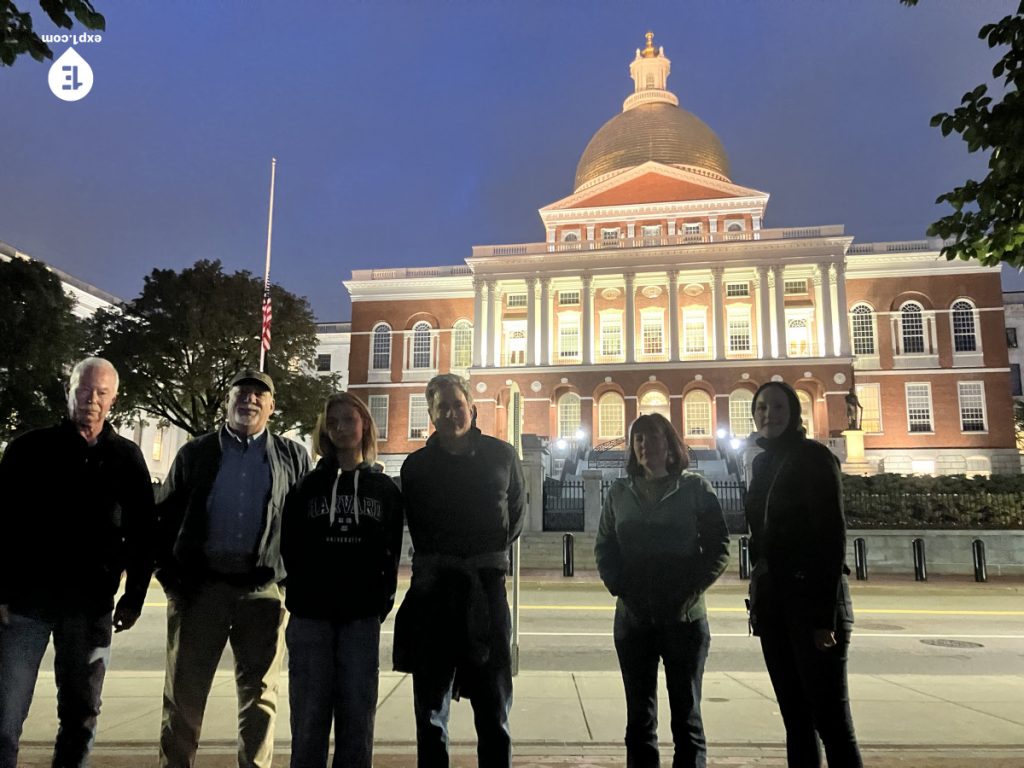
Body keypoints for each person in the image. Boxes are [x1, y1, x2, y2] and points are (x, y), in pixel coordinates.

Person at [0, 357, 155, 768]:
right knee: (4, 716)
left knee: (81, 715)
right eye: (85, 390)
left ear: (113, 399)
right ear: (69, 391)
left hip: (90, 608)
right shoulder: (28, 450)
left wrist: (134, 597)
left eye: (102, 393)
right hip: (26, 605)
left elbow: (143, 533)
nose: (92, 399)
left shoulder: (127, 458)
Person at [155, 369, 311, 768]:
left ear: (272, 407)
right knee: (184, 695)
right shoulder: (196, 452)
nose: (250, 401)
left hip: (261, 590)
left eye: (260, 396)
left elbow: (305, 525)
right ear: (228, 401)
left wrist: (290, 583)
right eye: (241, 394)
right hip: (200, 589)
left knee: (260, 699)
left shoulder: (293, 457)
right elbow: (165, 519)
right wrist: (172, 583)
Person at [393, 373, 524, 768]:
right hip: (434, 594)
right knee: (431, 713)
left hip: (486, 592)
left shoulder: (502, 456)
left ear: (473, 408)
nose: (451, 413)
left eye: (457, 404)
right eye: (442, 407)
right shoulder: (415, 468)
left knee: (493, 709)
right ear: (431, 415)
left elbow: (514, 517)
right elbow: (414, 521)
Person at [595, 413, 730, 768]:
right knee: (639, 719)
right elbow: (604, 546)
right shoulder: (620, 492)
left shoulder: (696, 489)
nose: (643, 445)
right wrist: (621, 588)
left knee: (687, 718)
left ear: (669, 444)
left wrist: (687, 593)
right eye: (637, 438)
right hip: (633, 619)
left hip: (683, 620)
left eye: (651, 437)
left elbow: (718, 548)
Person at [281, 392, 403, 768]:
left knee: (356, 716)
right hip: (312, 617)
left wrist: (381, 600)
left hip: (360, 617)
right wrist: (299, 596)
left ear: (364, 424)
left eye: (349, 419)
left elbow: (392, 550)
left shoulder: (383, 490)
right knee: (308, 717)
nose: (340, 428)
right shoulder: (306, 488)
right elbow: (290, 545)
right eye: (333, 422)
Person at [745, 381, 862, 768]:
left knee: (831, 722)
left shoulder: (814, 457)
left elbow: (832, 537)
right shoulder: (761, 463)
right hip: (776, 605)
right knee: (796, 720)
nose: (768, 414)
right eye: (761, 407)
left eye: (777, 407)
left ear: (794, 413)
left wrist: (823, 618)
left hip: (813, 607)